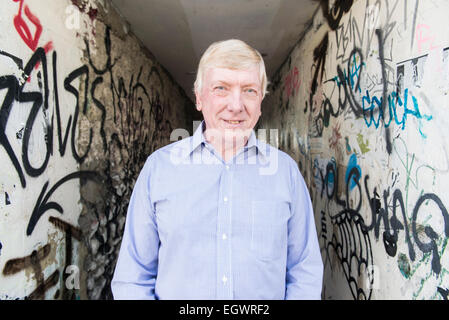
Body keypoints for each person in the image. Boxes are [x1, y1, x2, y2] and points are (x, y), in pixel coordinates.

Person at [111, 39, 323, 299]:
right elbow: (133, 278)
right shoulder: (159, 169)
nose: (236, 105)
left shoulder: (285, 173)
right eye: (221, 88)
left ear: (260, 102)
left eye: (249, 91)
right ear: (199, 98)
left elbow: (305, 271)